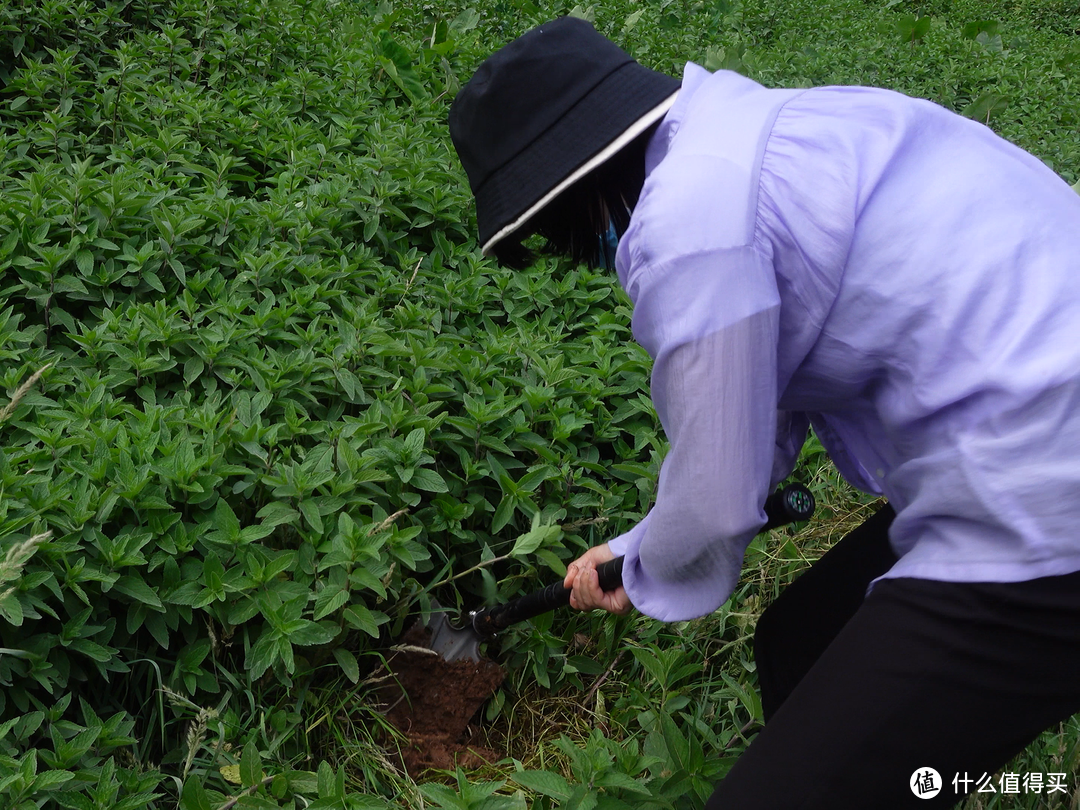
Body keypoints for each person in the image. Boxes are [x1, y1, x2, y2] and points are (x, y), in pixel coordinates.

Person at [448, 16, 1080, 808]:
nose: (579, 252)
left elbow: (715, 499)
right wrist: (637, 546)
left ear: (568, 194)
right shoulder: (762, 130)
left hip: (1043, 489)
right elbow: (759, 412)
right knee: (804, 640)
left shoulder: (690, 229)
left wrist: (644, 571)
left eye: (554, 236)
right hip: (1041, 423)